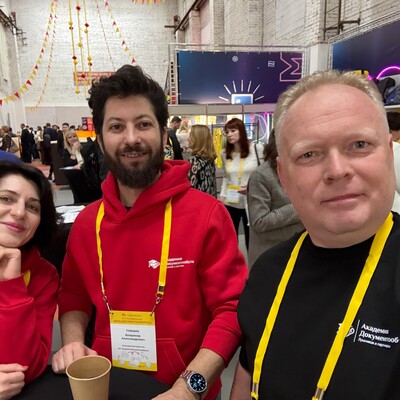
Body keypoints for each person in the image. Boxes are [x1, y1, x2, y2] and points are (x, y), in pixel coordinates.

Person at [52, 65, 248, 400]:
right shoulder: (87, 224)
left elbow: (231, 310)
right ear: (100, 139)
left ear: (162, 133)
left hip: (186, 391)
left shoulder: (207, 216)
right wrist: (72, 343)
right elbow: (73, 296)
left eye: (143, 124)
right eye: (116, 127)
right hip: (107, 387)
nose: (131, 139)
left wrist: (189, 389)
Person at [230, 70, 400, 400]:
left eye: (359, 145)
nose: (337, 170)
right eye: (309, 154)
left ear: (390, 154)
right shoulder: (268, 272)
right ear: (284, 176)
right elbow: (247, 378)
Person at [0, 161, 60, 399]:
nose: (19, 212)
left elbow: (26, 367)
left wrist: (11, 286)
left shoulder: (43, 276)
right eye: (6, 199)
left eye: (32, 207)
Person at [246, 129, 303, 267]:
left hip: (300, 252)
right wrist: (299, 207)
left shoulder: (301, 171)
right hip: (271, 257)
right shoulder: (262, 175)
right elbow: (260, 221)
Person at [219, 118, 263, 250]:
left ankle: (253, 262)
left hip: (252, 200)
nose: (229, 134)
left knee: (252, 239)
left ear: (242, 131)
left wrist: (251, 187)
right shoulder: (224, 153)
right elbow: (226, 177)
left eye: (233, 130)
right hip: (231, 201)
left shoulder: (257, 149)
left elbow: (264, 174)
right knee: (231, 239)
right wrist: (222, 195)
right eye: (227, 132)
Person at [188, 124, 217, 197]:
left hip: (198, 201)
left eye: (191, 136)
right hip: (210, 200)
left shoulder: (194, 161)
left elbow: (190, 188)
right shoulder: (210, 159)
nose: (188, 139)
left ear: (198, 139)